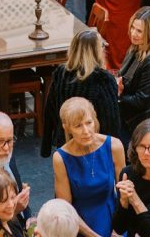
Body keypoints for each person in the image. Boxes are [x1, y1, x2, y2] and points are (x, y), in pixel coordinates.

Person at [53, 97, 125, 237]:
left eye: (89, 123)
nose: (86, 131)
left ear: (95, 120)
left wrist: (118, 230)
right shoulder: (60, 158)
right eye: (78, 126)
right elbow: (66, 208)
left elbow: (125, 196)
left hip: (115, 221)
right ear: (67, 128)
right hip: (81, 226)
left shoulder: (114, 146)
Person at [41, 29, 119, 157]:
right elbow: (111, 122)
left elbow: (49, 110)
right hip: (93, 146)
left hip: (65, 142)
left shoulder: (61, 72)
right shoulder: (103, 79)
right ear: (96, 51)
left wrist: (46, 147)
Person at [117, 7, 150, 144]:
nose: (133, 33)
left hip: (134, 123)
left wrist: (118, 95)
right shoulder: (136, 47)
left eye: (139, 31)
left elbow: (142, 100)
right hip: (125, 114)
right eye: (133, 28)